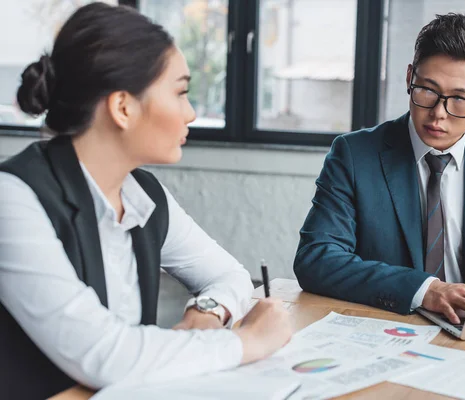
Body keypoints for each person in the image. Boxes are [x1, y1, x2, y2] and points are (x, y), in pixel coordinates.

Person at [0, 3, 292, 399]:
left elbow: (231, 275)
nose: (190, 113)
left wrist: (207, 313)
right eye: (181, 92)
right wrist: (248, 341)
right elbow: (104, 354)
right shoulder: (13, 198)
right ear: (123, 107)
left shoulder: (143, 194)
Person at [294, 13, 465, 326]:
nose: (438, 113)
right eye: (427, 90)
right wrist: (425, 290)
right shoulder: (354, 154)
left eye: (460, 100)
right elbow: (317, 259)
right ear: (410, 77)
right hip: (387, 325)